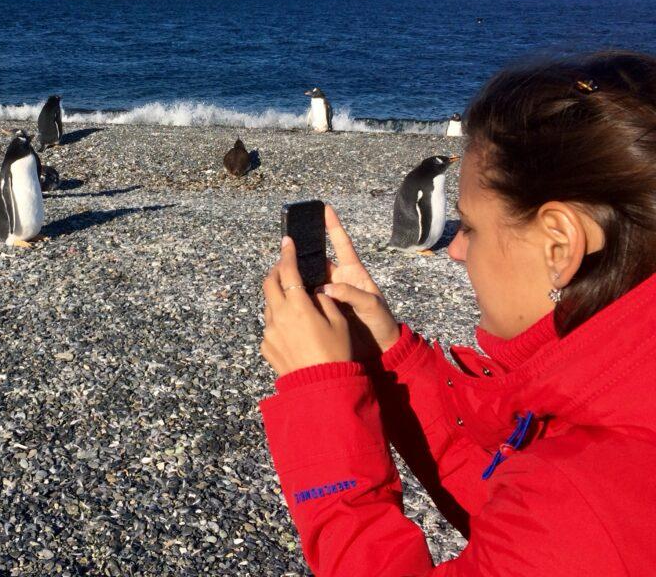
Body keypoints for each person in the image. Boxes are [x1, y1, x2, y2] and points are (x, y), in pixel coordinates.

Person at [259, 50, 656, 575]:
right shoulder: (614, 412)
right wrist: (387, 354)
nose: (456, 250)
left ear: (559, 245)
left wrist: (320, 393)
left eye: (469, 226)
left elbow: (562, 510)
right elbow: (521, 515)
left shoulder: (585, 486)